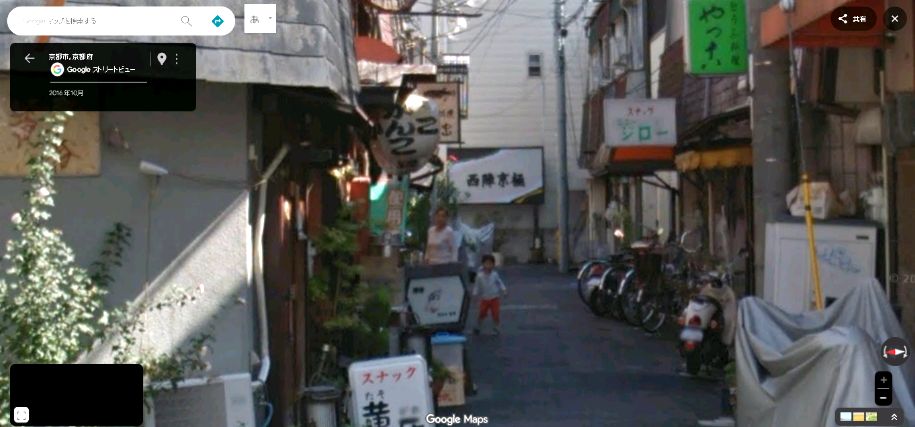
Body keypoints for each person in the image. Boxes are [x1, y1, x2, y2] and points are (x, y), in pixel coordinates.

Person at [472, 254, 508, 335]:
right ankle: (478, 326)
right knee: (482, 313)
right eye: (487, 263)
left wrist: (504, 289)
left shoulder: (494, 274)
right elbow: (476, 286)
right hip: (485, 298)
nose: (488, 266)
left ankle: (496, 327)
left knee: (496, 313)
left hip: (494, 298)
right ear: (483, 264)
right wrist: (475, 295)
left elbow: (499, 282)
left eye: (491, 264)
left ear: (493, 265)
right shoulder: (479, 276)